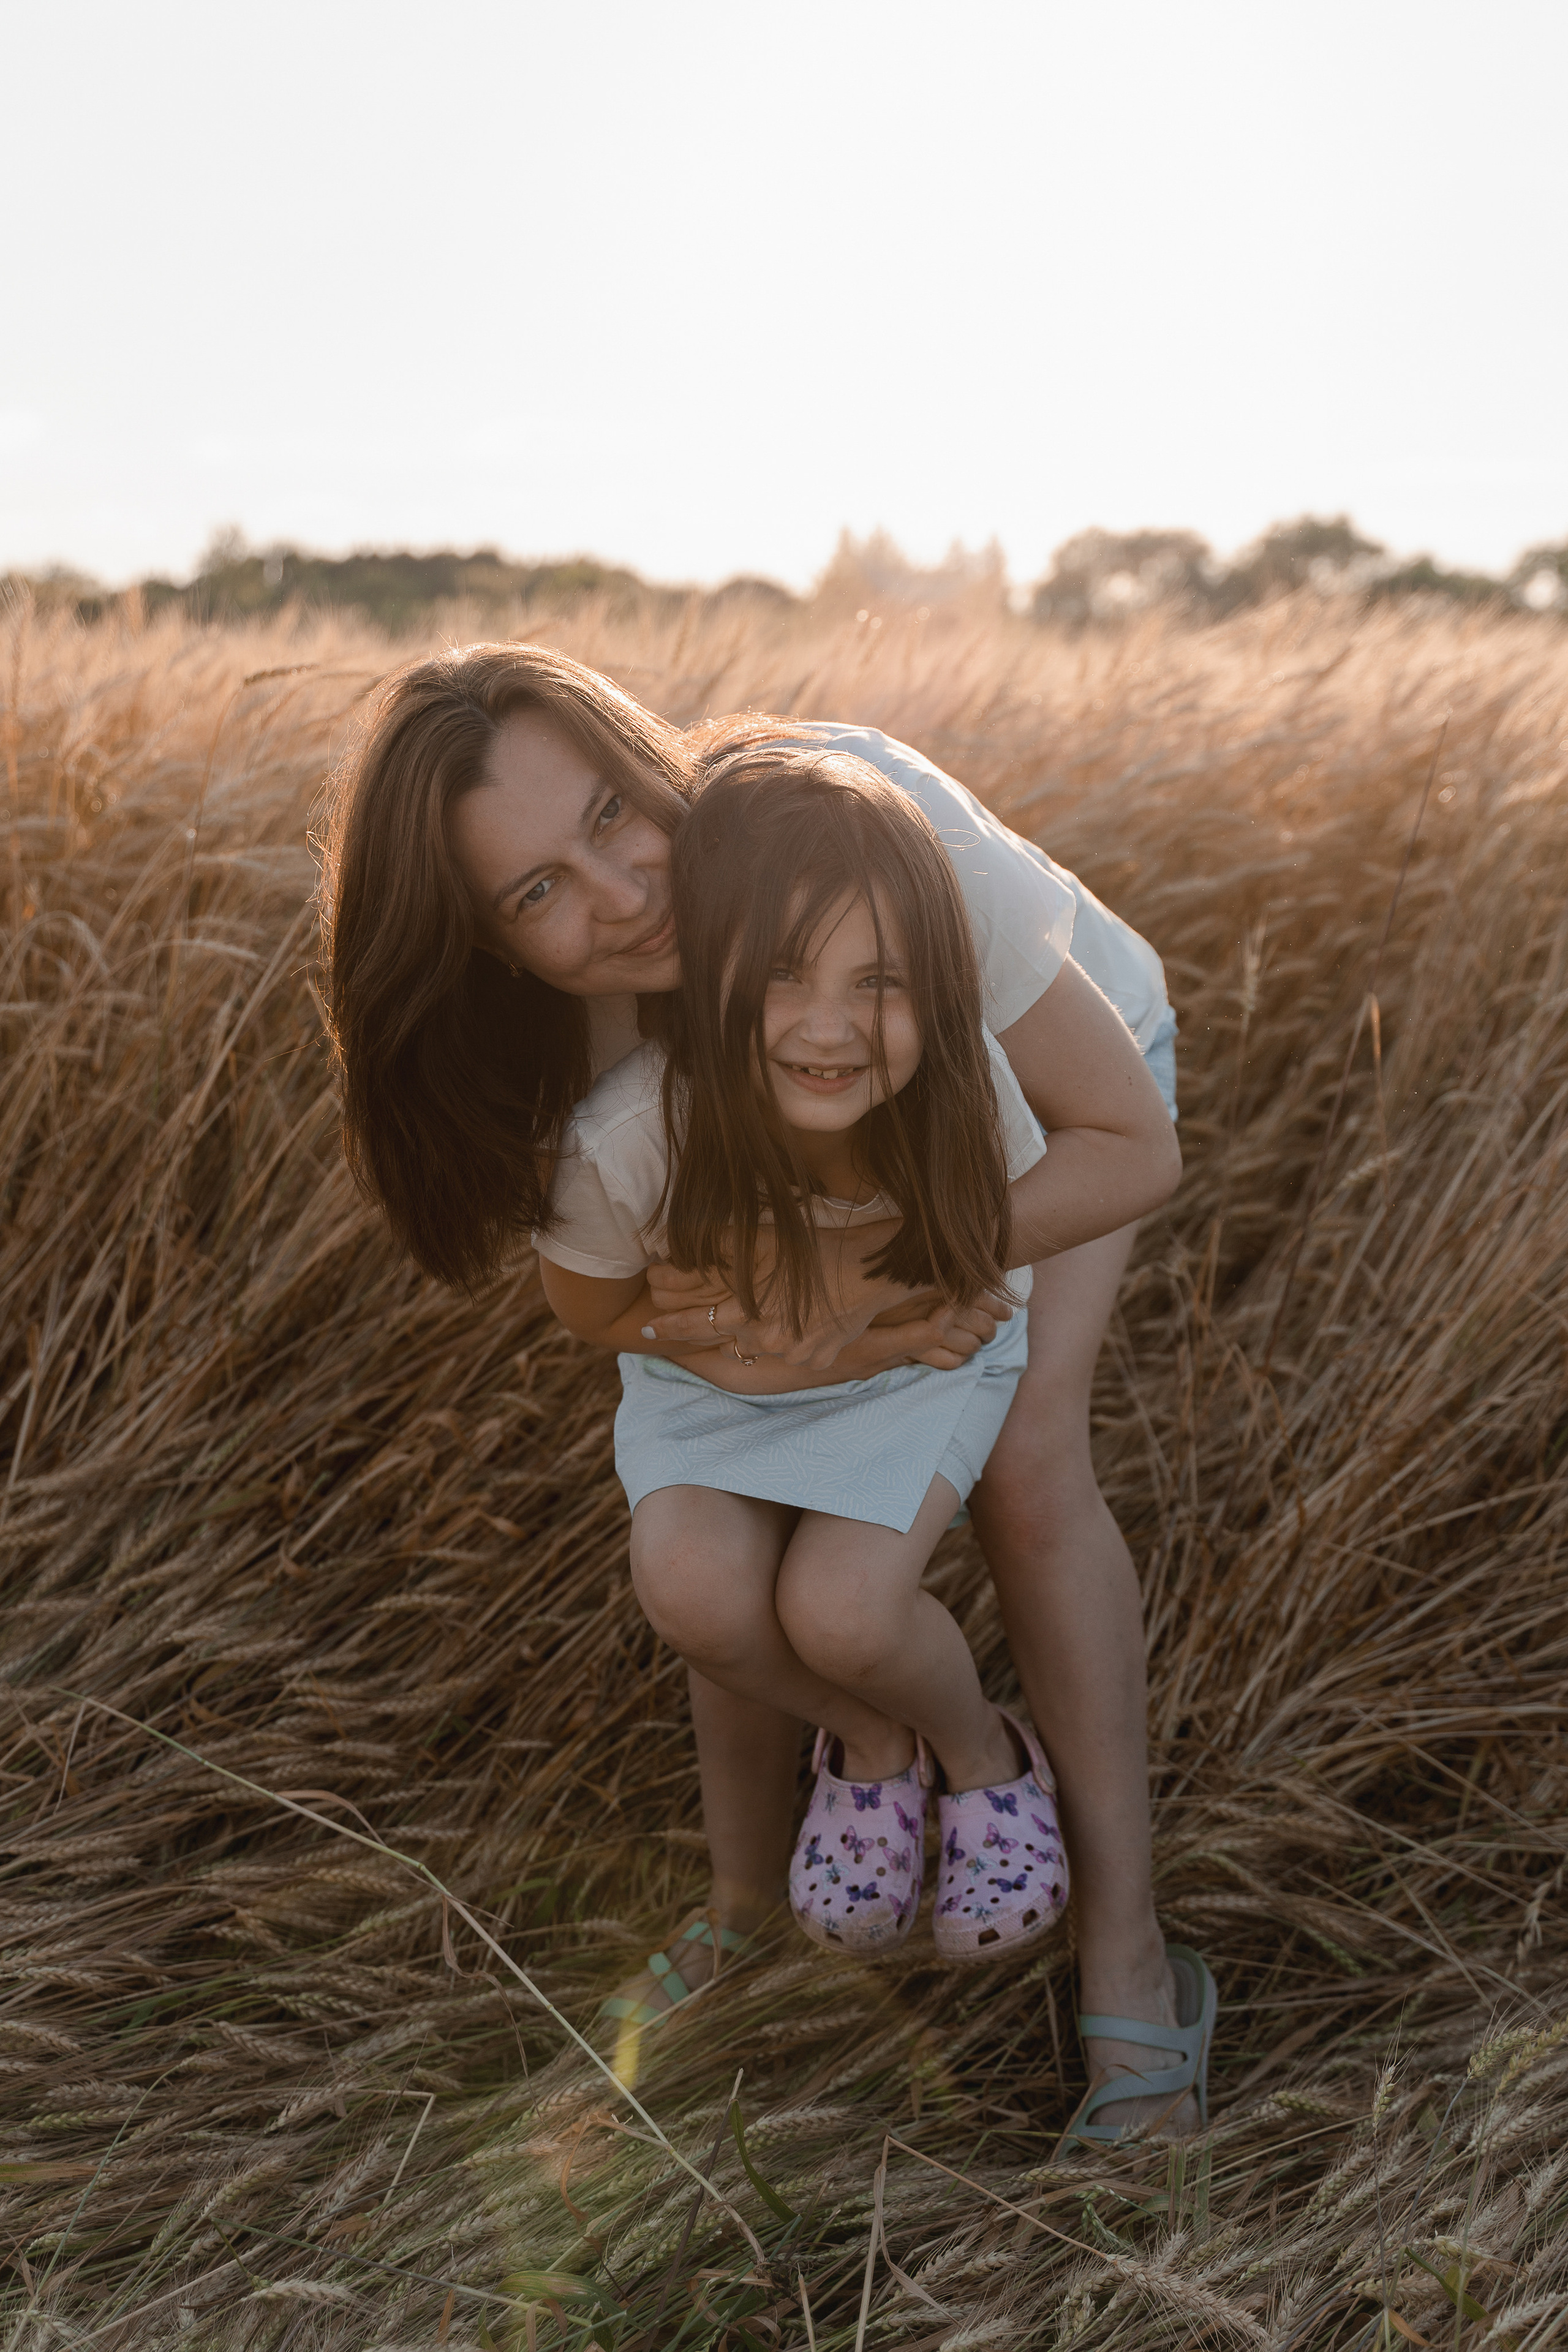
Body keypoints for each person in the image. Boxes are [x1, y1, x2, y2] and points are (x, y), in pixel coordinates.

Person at [323, 642, 1208, 2139]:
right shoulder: (583, 1030)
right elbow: (617, 1305)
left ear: (644, 756)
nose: (618, 899)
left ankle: (1130, 1969)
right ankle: (746, 1908)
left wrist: (881, 1287)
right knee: (734, 1502)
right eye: (536, 892)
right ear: (487, 941)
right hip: (805, 1140)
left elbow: (1120, 1140)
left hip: (1030, 1115)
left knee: (1021, 1460)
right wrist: (737, 1334)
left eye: (611, 814)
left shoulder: (873, 833)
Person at [534, 747, 1071, 2005]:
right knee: (695, 1594)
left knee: (846, 1610)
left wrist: (868, 1331)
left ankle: (980, 1756)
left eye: (877, 984)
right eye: (783, 976)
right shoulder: (630, 1136)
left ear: (935, 992)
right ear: (710, 972)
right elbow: (592, 1307)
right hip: (713, 1384)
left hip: (916, 1367)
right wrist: (745, 1345)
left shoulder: (957, 1089)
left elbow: (990, 1266)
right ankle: (868, 1738)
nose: (829, 1028)